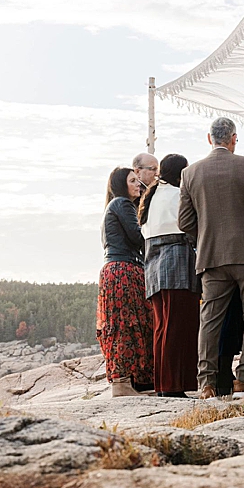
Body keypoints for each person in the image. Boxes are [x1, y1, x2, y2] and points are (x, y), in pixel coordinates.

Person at [180, 116, 244, 397]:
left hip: (211, 255)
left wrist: (206, 232)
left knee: (210, 320)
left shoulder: (190, 173)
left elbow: (184, 221)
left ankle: (207, 383)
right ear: (233, 139)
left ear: (209, 139)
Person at [138, 153, 197, 397]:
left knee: (162, 328)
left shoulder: (152, 197)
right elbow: (189, 227)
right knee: (176, 327)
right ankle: (173, 385)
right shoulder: (176, 195)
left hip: (153, 268)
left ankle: (164, 384)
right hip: (176, 265)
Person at [98, 166, 155, 396]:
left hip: (117, 268)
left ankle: (132, 380)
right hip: (123, 270)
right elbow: (137, 236)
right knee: (126, 324)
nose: (138, 185)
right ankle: (121, 382)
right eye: (133, 181)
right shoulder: (122, 204)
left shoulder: (115, 206)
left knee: (130, 322)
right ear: (122, 185)